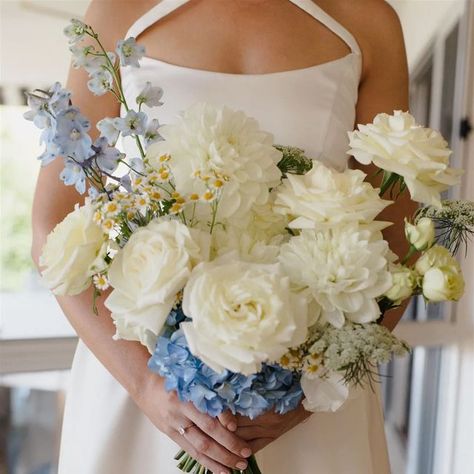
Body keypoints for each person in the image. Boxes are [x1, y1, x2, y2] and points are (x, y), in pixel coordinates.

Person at [31, 1, 415, 473]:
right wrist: (144, 385)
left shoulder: (367, 21)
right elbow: (52, 223)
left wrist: (312, 390)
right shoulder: (118, 11)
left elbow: (399, 240)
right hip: (151, 383)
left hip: (307, 395)